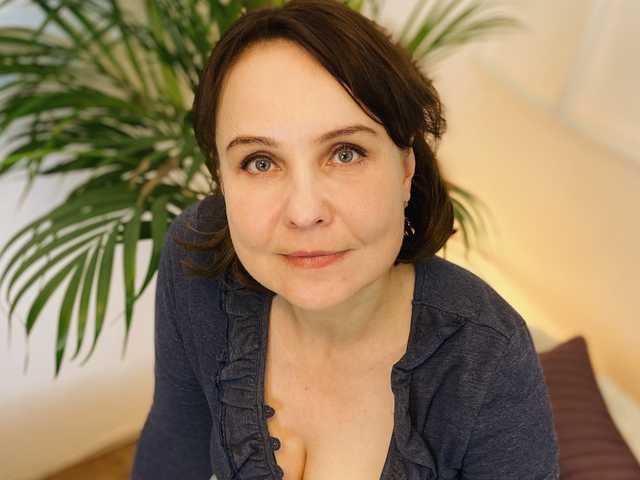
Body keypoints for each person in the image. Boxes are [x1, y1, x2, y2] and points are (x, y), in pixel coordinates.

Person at [131, 1, 560, 479]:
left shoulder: (486, 359)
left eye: (346, 153)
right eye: (260, 162)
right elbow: (172, 449)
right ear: (222, 180)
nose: (304, 212)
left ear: (405, 168)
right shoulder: (196, 261)